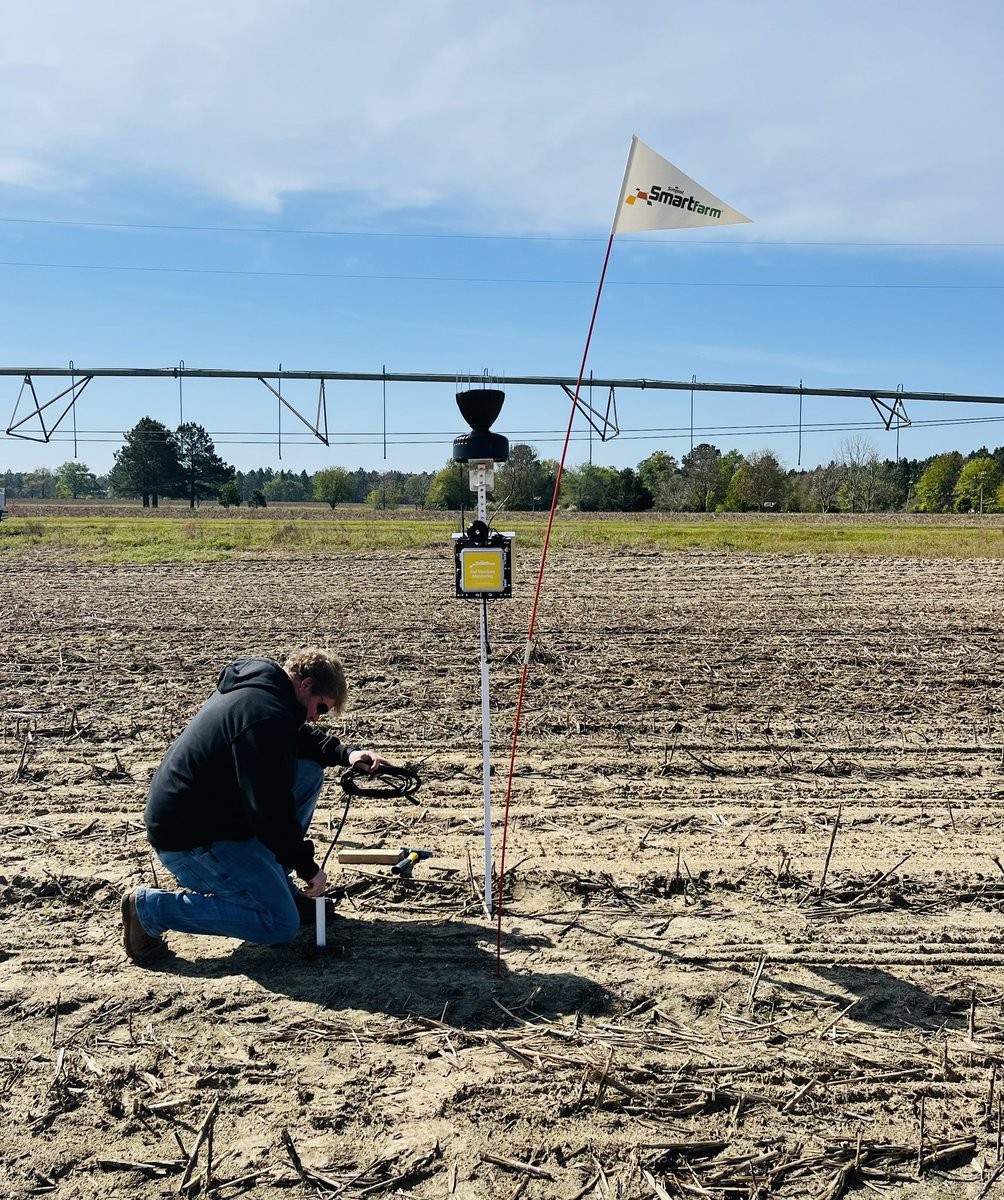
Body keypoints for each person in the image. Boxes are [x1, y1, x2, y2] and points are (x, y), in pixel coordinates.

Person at [121, 648, 386, 964]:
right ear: (306, 685)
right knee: (279, 923)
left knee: (308, 771)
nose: (317, 718)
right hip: (190, 842)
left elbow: (298, 737)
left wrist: (347, 754)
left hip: (213, 817)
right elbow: (269, 810)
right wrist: (306, 867)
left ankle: (276, 886)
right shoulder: (264, 716)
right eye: (321, 708)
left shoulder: (266, 694)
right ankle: (150, 910)